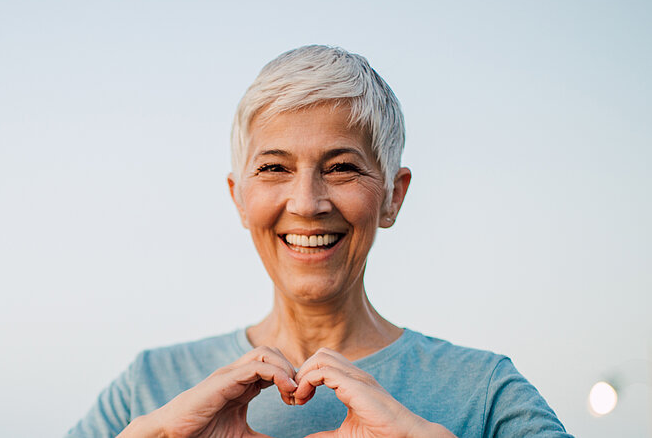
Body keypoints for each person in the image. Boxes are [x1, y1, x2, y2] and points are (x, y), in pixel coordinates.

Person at [65, 45, 571, 438]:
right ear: (239, 198)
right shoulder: (149, 387)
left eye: (342, 168)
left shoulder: (484, 393)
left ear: (393, 196)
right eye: (274, 168)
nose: (307, 202)